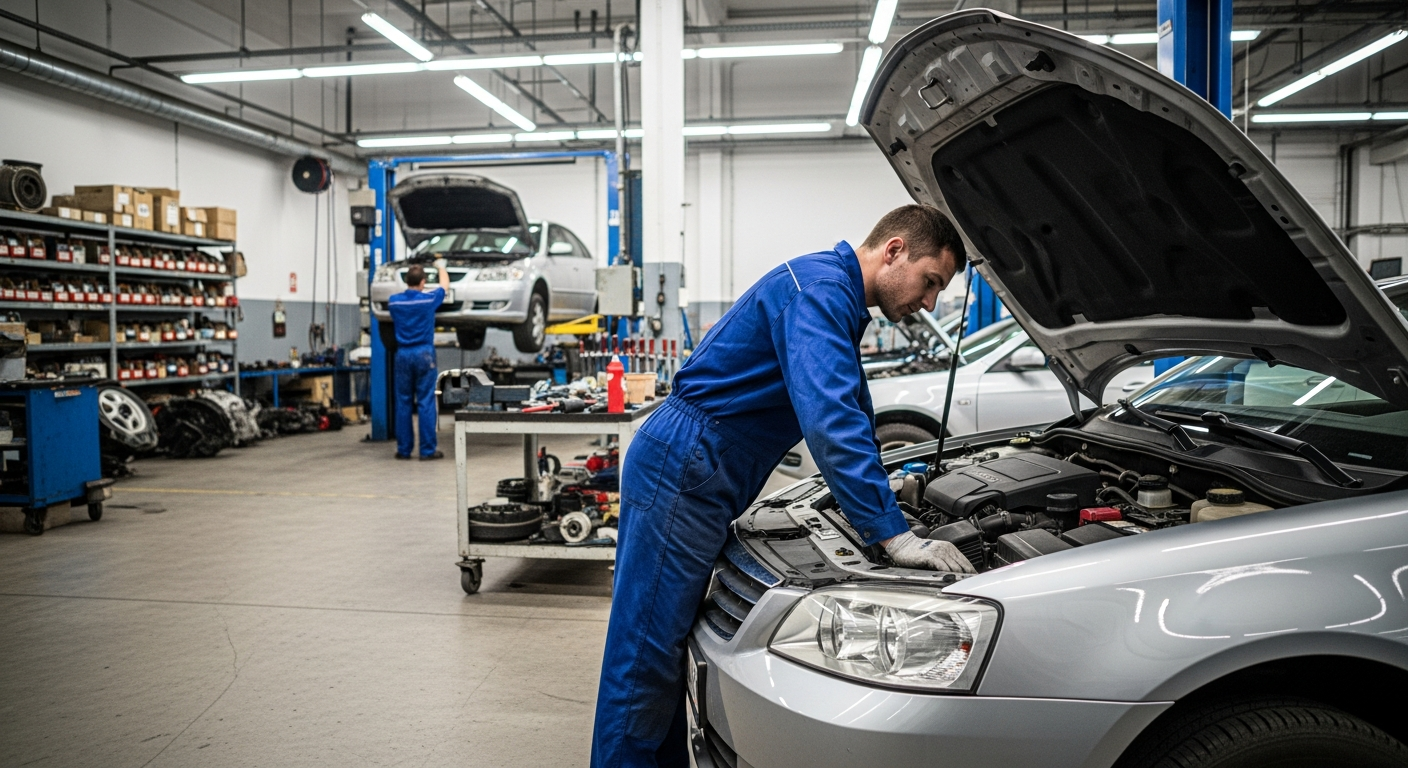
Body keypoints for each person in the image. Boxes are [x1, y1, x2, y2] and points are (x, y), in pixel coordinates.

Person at [591, 205, 977, 768]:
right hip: (686, 463)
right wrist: (894, 536)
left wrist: (889, 491)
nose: (929, 302)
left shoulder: (832, 292)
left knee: (663, 645)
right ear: (894, 250)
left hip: (700, 464)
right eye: (931, 282)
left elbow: (851, 410)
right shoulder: (819, 291)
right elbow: (830, 421)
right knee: (645, 648)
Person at [387, 259, 451, 460]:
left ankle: (403, 450)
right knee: (426, 402)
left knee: (403, 402)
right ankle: (427, 450)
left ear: (406, 281)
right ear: (423, 282)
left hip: (403, 355)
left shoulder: (394, 301)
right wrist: (441, 266)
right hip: (424, 354)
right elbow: (444, 286)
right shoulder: (428, 300)